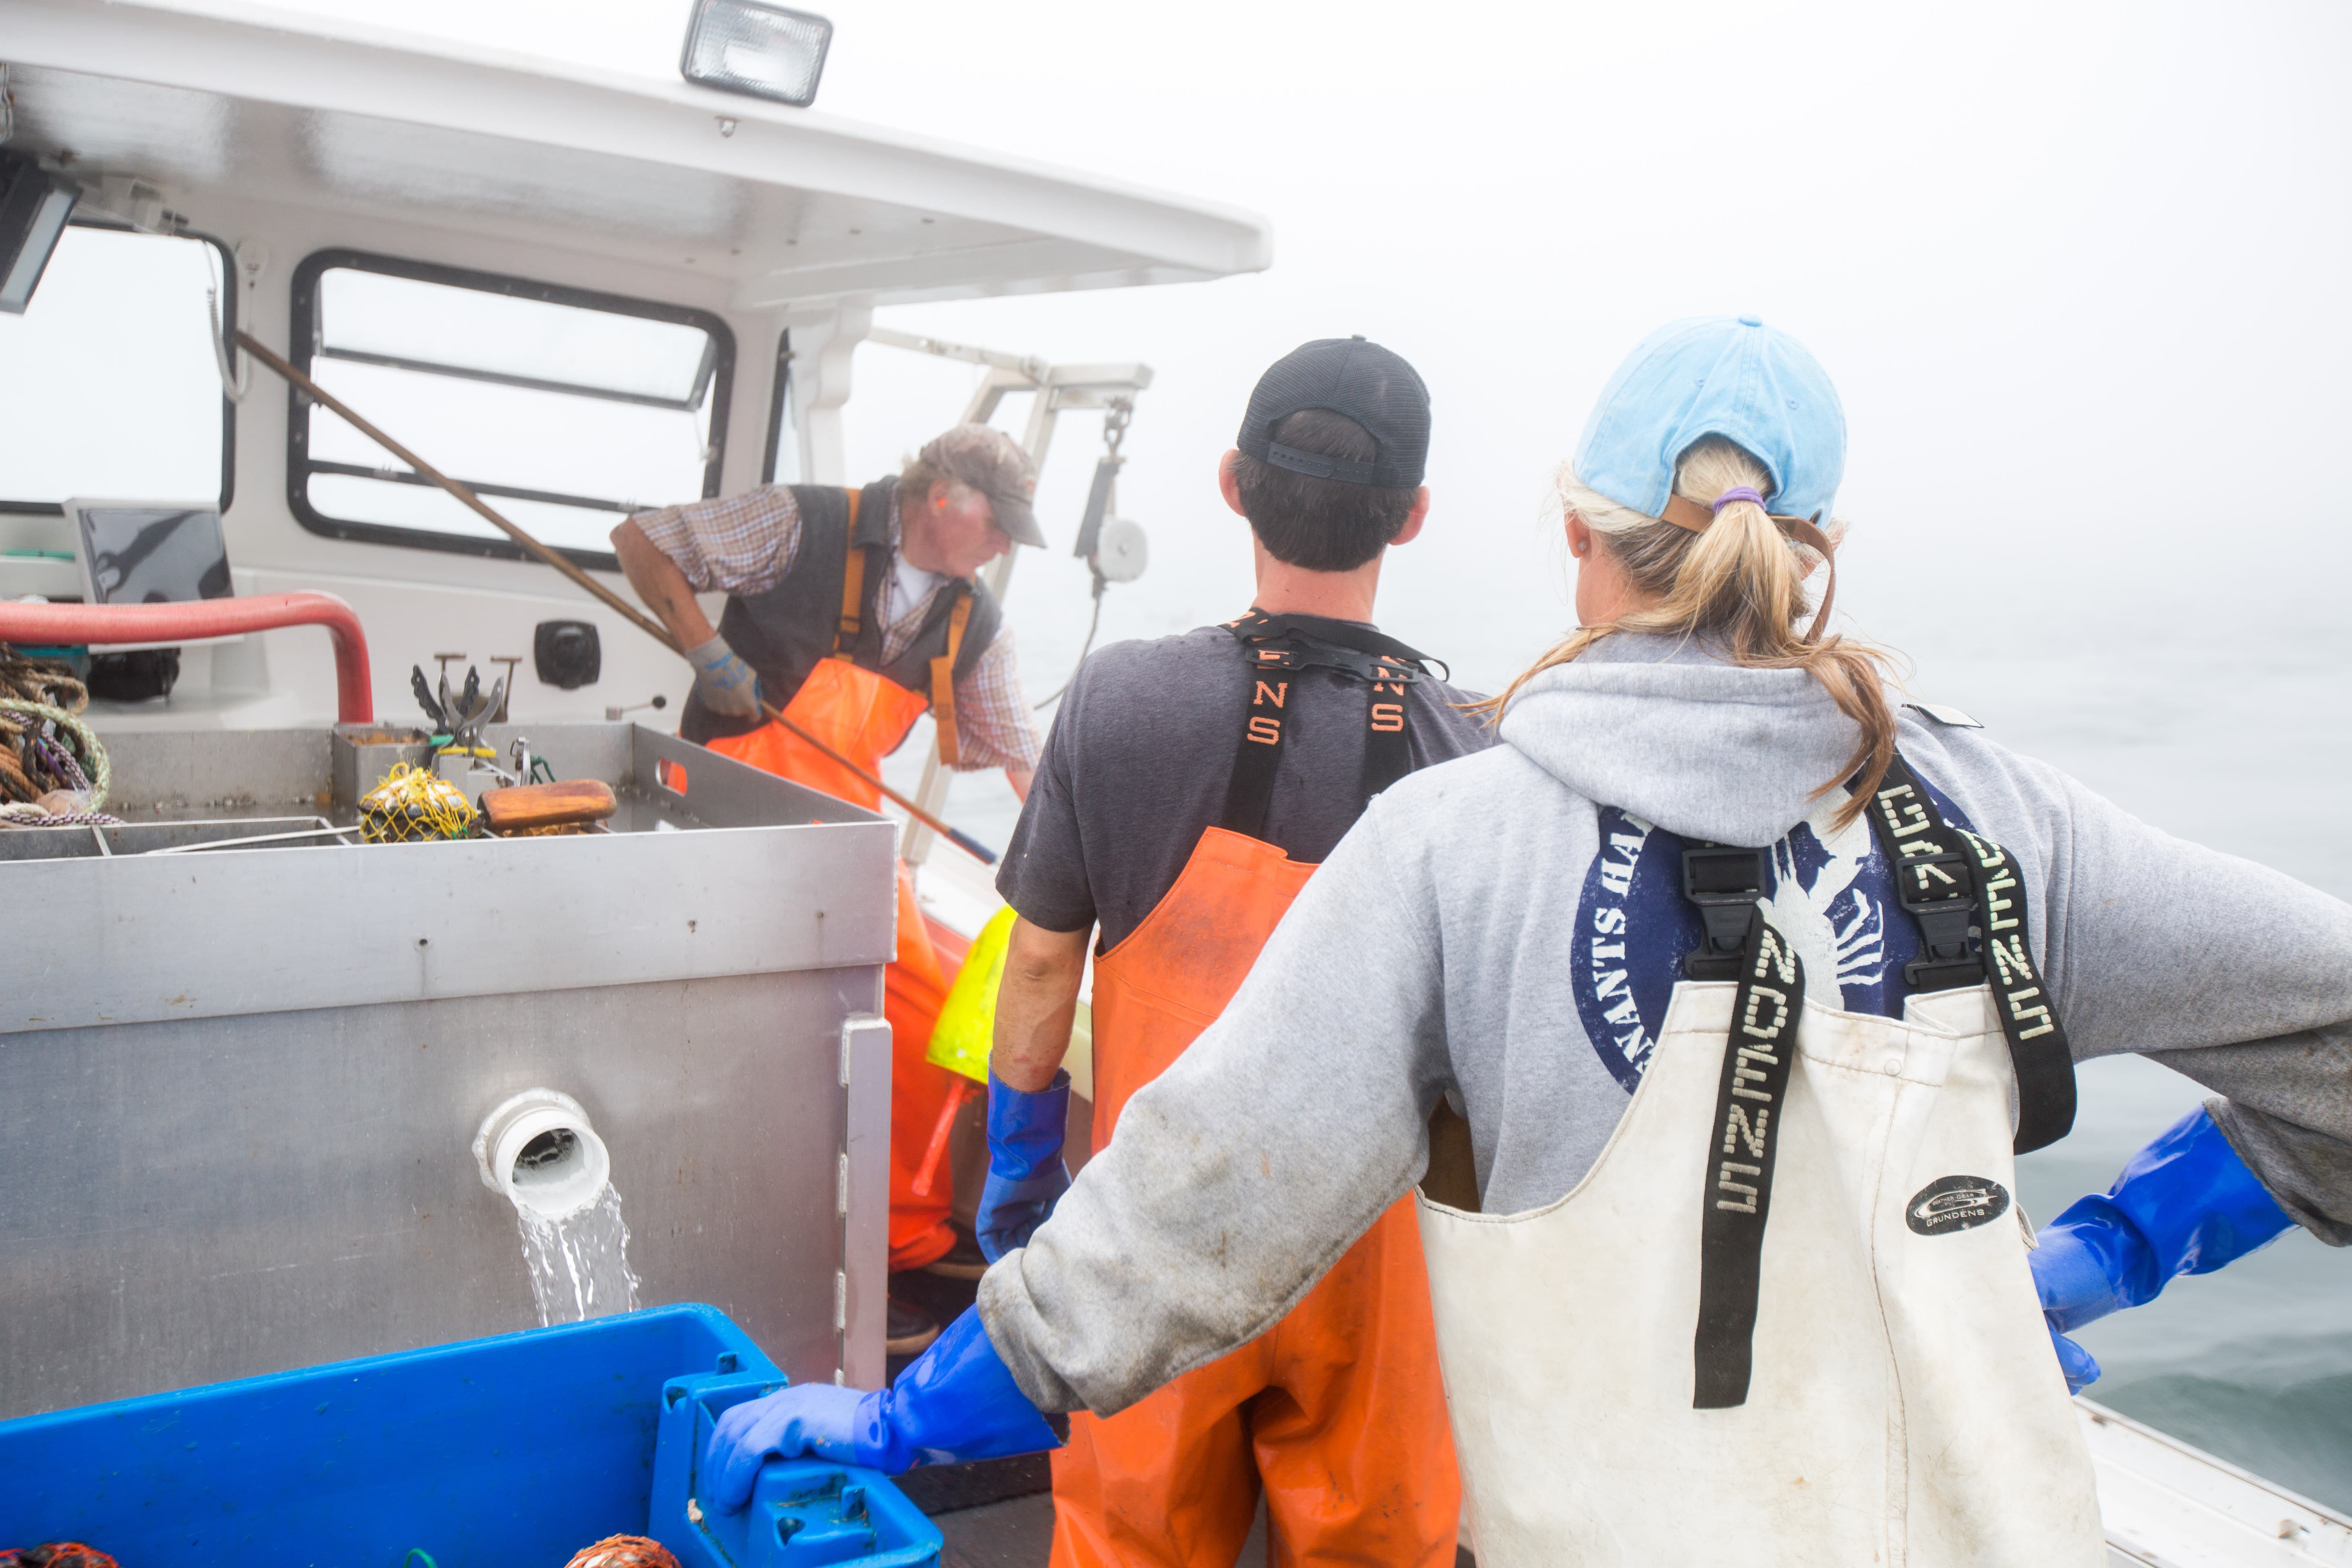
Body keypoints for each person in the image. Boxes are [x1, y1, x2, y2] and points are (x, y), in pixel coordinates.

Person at [700, 317, 2352, 1567]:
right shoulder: (2008, 827)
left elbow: (1199, 1200)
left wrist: (916, 1413)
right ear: (1819, 554)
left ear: (1578, 533)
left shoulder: (1464, 837)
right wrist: (2114, 1251)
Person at [973, 337, 1485, 1567]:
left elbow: (1041, 967)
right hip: (1376, 1274)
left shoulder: (1119, 701)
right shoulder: (1473, 756)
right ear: (1410, 518)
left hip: (1155, 1243)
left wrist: (1020, 1164)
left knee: (1131, 1545)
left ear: (1231, 483)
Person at [612, 424, 1047, 1345]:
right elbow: (641, 542)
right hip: (725, 815)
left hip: (847, 838)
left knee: (924, 1014)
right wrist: (704, 650)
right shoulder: (803, 522)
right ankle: (726, 1229)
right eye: (999, 524)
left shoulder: (976, 621)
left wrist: (1071, 848)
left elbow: (1018, 754)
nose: (1005, 545)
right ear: (945, 500)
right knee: (744, 1018)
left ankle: (897, 1237)